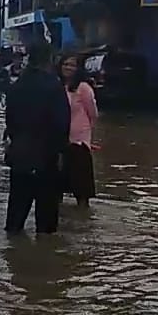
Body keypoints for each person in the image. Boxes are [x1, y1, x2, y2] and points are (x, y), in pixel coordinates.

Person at [4, 41, 71, 235]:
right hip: (46, 156)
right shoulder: (54, 86)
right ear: (49, 59)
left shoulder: (17, 86)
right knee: (47, 224)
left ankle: (14, 259)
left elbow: (10, 122)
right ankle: (44, 259)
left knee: (15, 217)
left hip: (20, 154)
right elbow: (62, 124)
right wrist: (61, 153)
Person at [58, 52, 99, 207]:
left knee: (82, 190)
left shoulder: (83, 88)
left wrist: (86, 134)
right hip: (59, 140)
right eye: (65, 64)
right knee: (56, 188)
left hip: (79, 142)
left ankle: (83, 219)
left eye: (72, 65)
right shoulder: (57, 86)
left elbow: (93, 113)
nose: (68, 68)